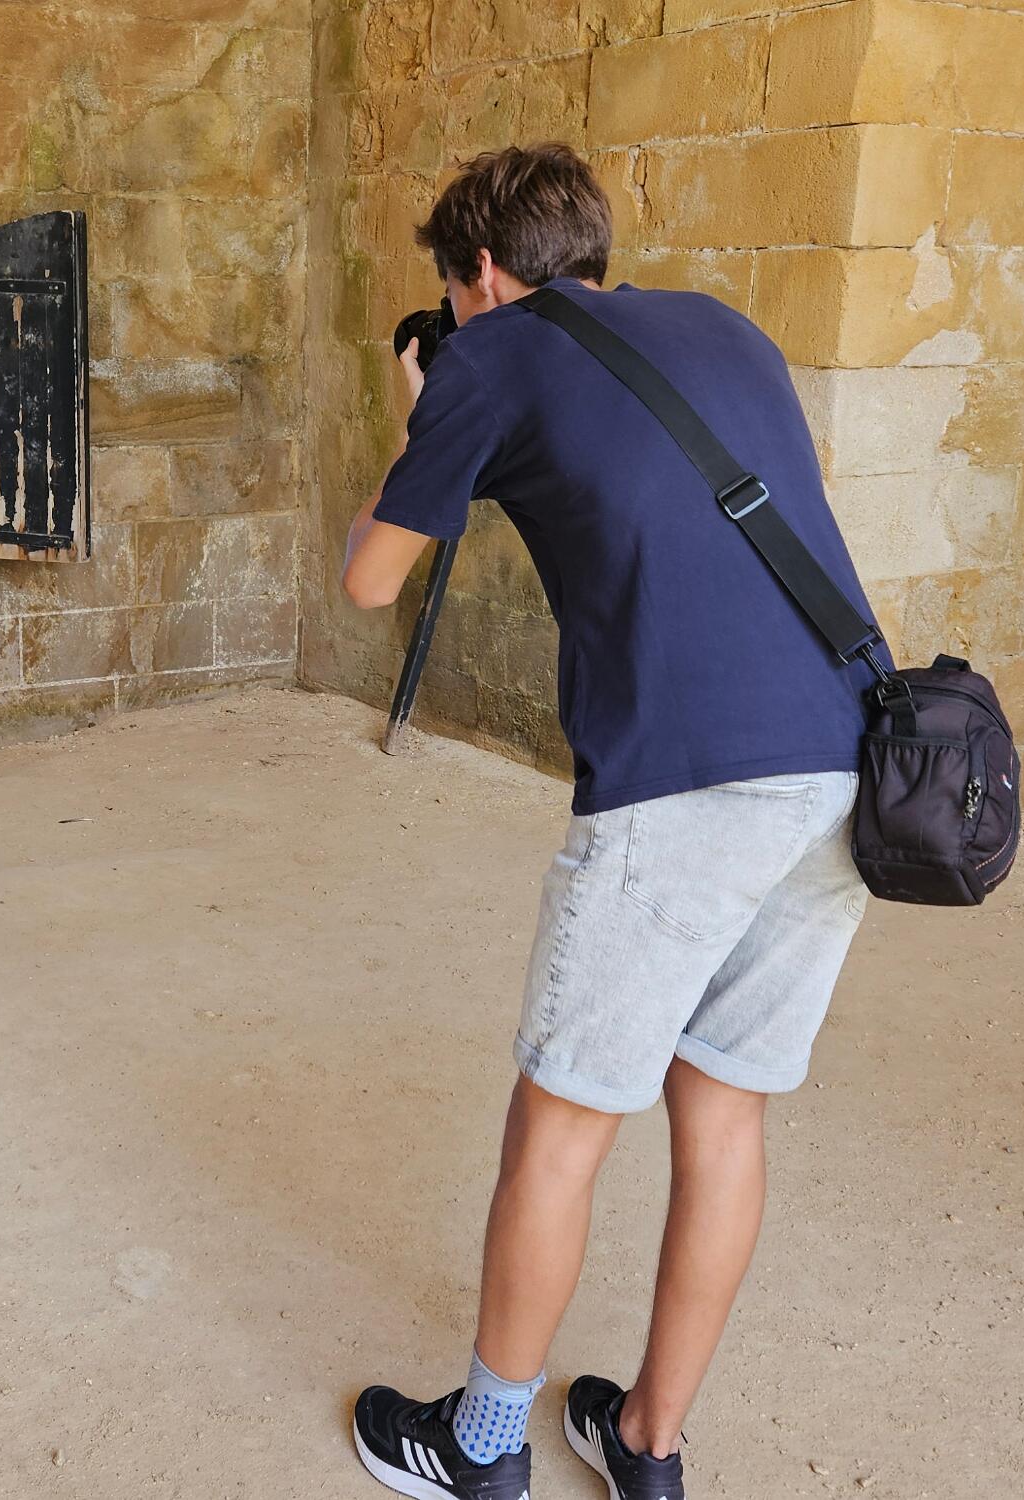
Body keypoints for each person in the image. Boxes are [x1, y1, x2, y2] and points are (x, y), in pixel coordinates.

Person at [341, 143, 883, 1500]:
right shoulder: (725, 328)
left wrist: (423, 415)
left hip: (687, 786)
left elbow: (369, 581)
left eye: (453, 289)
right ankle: (647, 1445)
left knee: (561, 1128)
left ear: (479, 271)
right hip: (844, 763)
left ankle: (480, 1450)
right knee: (725, 1116)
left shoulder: (488, 354)